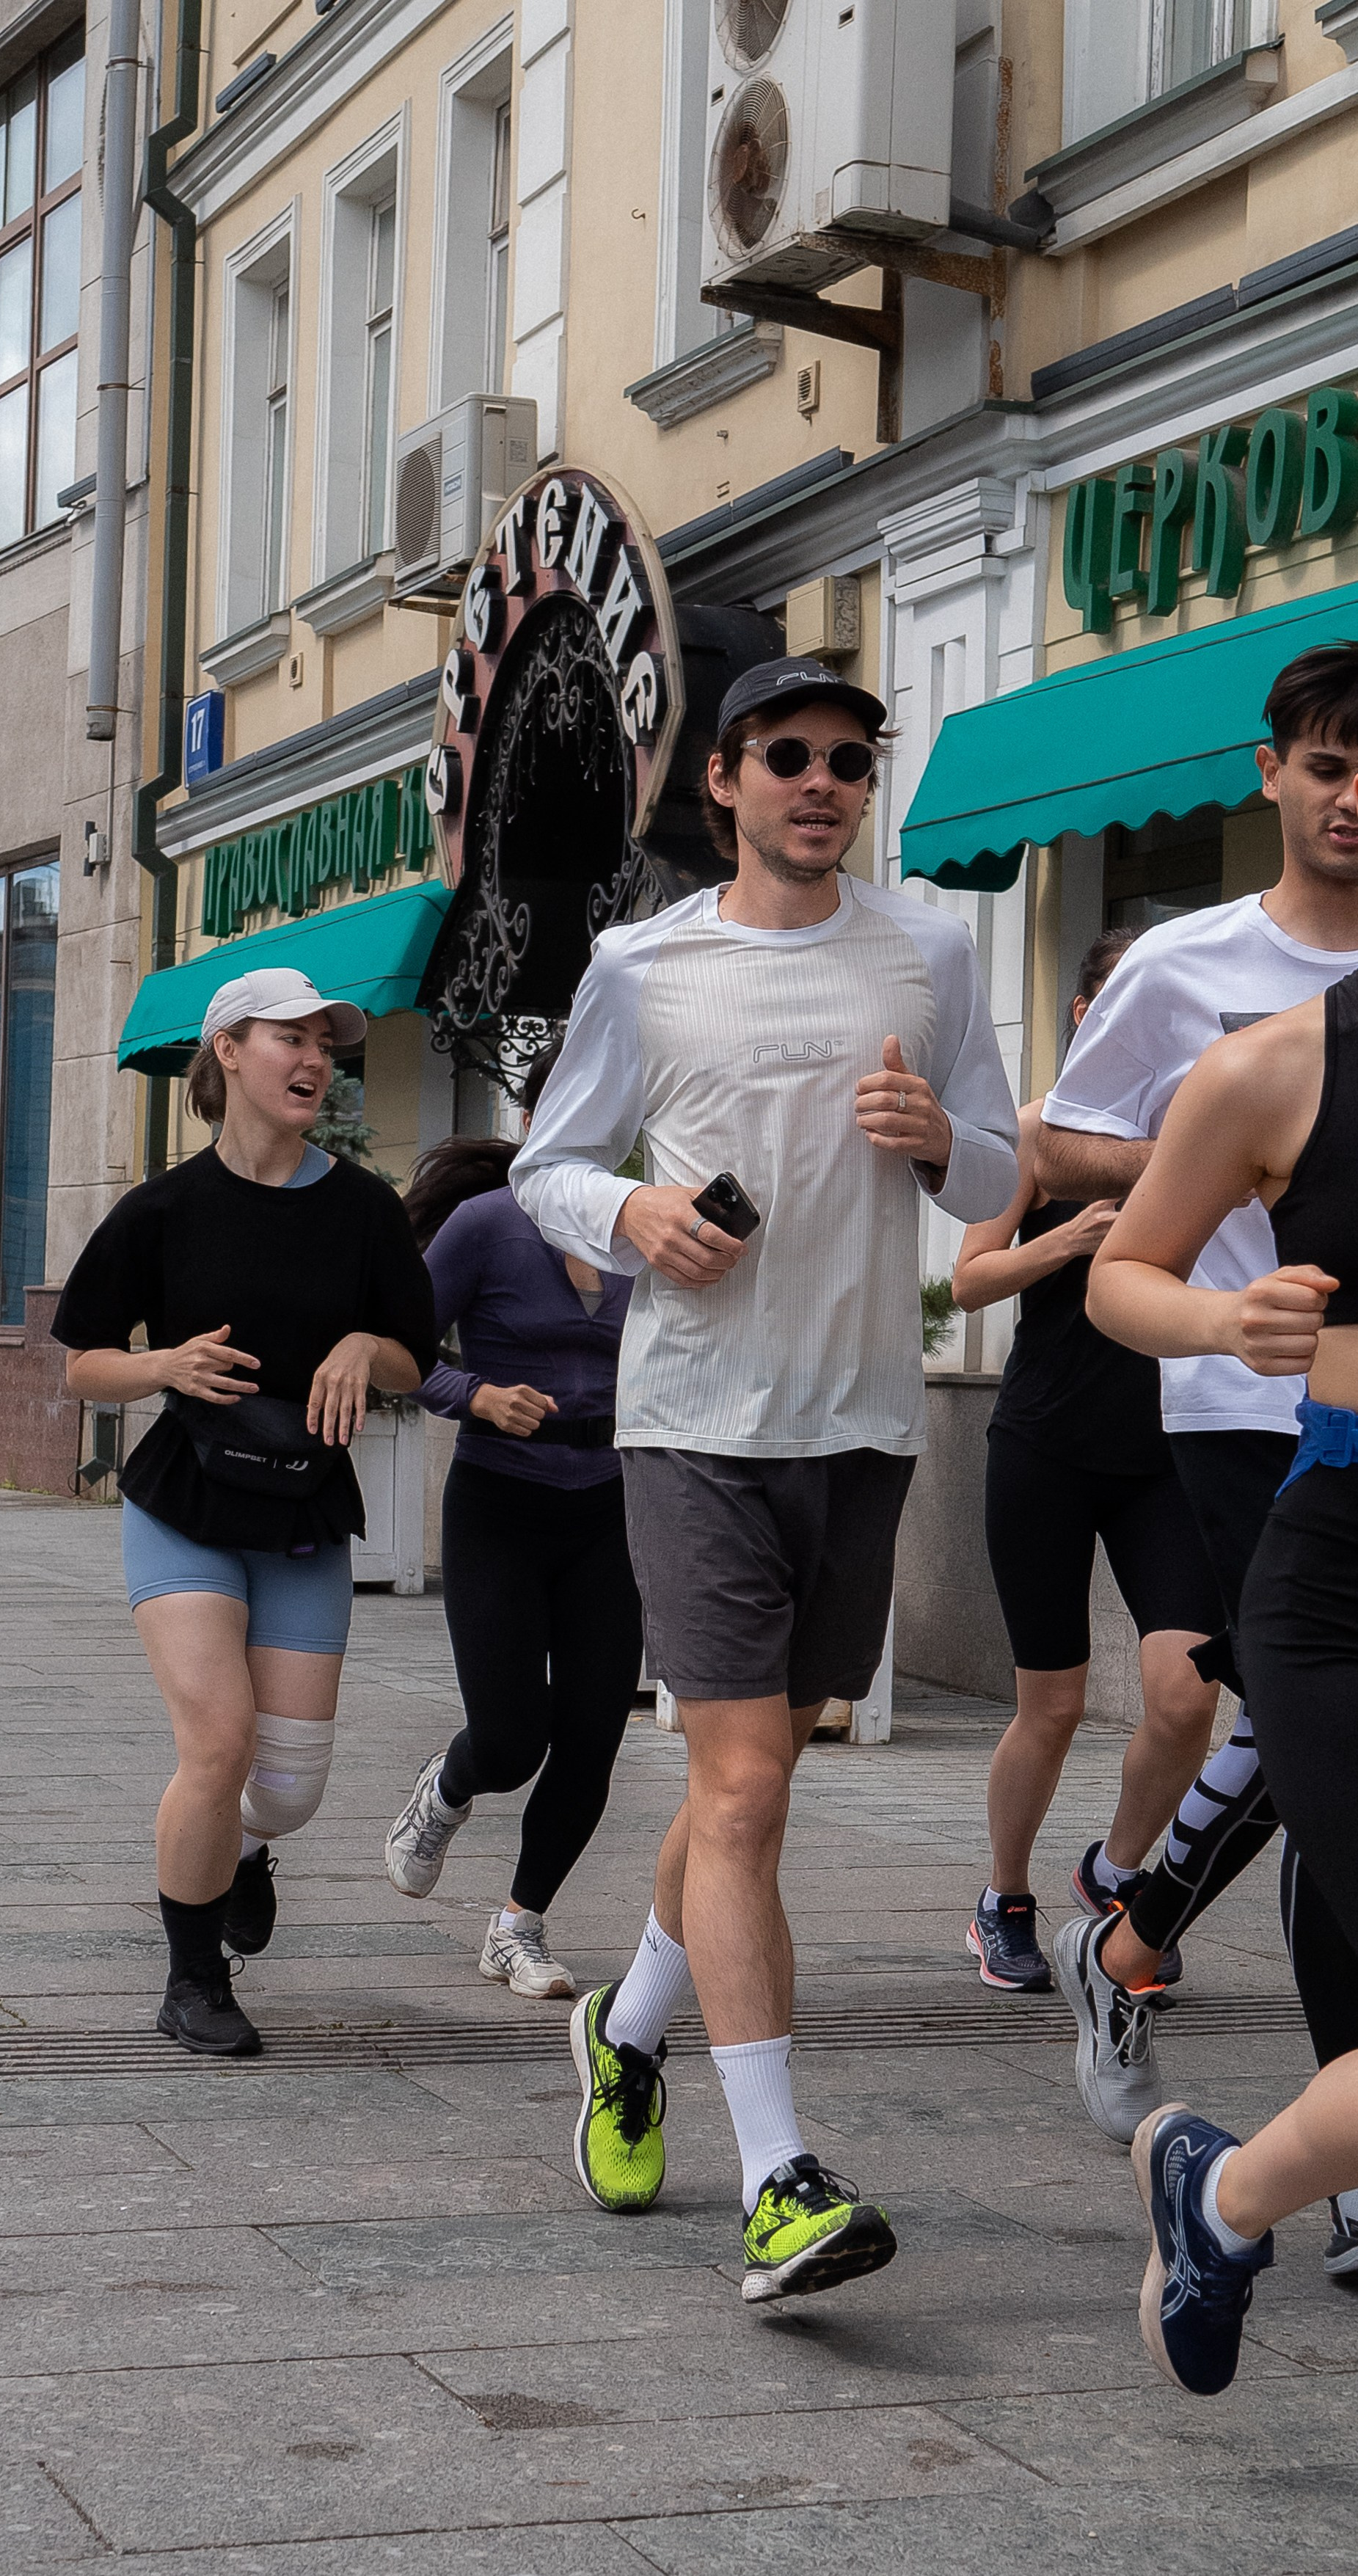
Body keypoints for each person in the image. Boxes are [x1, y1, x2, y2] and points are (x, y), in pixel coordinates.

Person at [510, 655, 1019, 2303]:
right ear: (723, 780)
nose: (822, 781)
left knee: (758, 1775)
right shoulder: (642, 965)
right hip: (694, 1428)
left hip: (860, 1427)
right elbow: (547, 1166)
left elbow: (998, 1171)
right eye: (788, 754)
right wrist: (633, 1214)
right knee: (743, 1793)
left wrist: (938, 1139)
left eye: (850, 760)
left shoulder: (930, 949)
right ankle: (780, 2178)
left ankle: (628, 2029)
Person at [1037, 643, 1358, 2167]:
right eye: (1329, 768)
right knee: (1305, 1737)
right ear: (1271, 775)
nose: (1352, 799)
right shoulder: (1188, 969)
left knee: (1307, 1751)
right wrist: (1236, 1157)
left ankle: (1132, 1933)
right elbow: (1062, 1145)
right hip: (1239, 1392)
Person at [53, 969, 436, 2057]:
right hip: (185, 1502)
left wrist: (364, 1346)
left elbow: (415, 1358)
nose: (315, 1060)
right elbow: (82, 1366)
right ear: (228, 1050)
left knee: (291, 1786)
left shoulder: (363, 1208)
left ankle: (249, 1850)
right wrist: (163, 1364)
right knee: (219, 1744)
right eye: (290, 1038)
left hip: (305, 1508)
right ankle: (192, 1982)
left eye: (325, 1043)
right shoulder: (163, 1209)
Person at [1086, 933, 1358, 2385]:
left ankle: (1224, 2196)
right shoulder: (1282, 1063)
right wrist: (1223, 1321)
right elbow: (1122, 1273)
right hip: (1343, 1578)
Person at [953, 932, 1221, 1995]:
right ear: (1083, 1015)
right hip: (1046, 1447)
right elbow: (969, 1280)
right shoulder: (1038, 1134)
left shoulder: (1210, 1135)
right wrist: (1065, 1242)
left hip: (1169, 1452)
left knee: (1188, 1695)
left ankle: (1115, 1871)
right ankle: (1003, 1896)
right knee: (1053, 1704)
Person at [383, 1044, 641, 1999]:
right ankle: (448, 1786)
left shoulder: (640, 1230)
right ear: (533, 1126)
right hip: (499, 1502)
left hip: (612, 1507)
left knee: (592, 1735)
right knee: (510, 1737)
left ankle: (518, 1926)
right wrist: (477, 1396)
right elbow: (397, 1350)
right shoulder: (487, 1225)